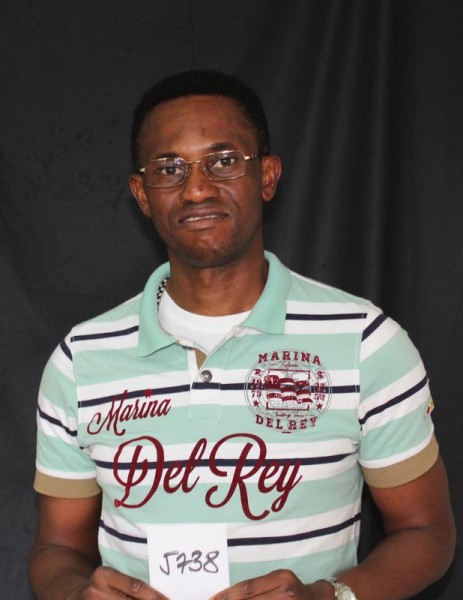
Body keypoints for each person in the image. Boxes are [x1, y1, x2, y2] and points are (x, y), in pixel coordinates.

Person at [29, 70, 455, 600]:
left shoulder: (366, 343)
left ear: (268, 176)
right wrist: (76, 594)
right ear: (142, 194)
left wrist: (325, 596)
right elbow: (57, 548)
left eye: (224, 160)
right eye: (169, 168)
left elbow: (426, 532)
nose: (197, 188)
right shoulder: (80, 359)